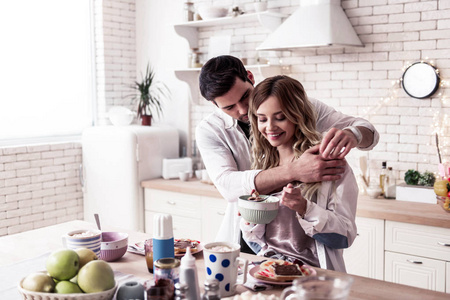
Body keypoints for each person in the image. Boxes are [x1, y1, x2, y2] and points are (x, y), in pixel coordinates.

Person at [196, 55, 378, 245]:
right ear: (214, 105)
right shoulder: (209, 130)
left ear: (250, 76)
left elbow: (367, 132)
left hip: (307, 245)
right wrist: (295, 170)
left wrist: (353, 134)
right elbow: (228, 187)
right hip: (249, 233)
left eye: (244, 97)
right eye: (230, 107)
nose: (243, 110)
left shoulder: (298, 105)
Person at [240, 75, 357, 272]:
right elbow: (258, 242)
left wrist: (305, 208)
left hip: (315, 278)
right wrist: (251, 219)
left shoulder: (329, 164)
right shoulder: (265, 168)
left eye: (280, 117)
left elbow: (345, 236)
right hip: (269, 271)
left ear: (297, 115)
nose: (269, 127)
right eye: (262, 119)